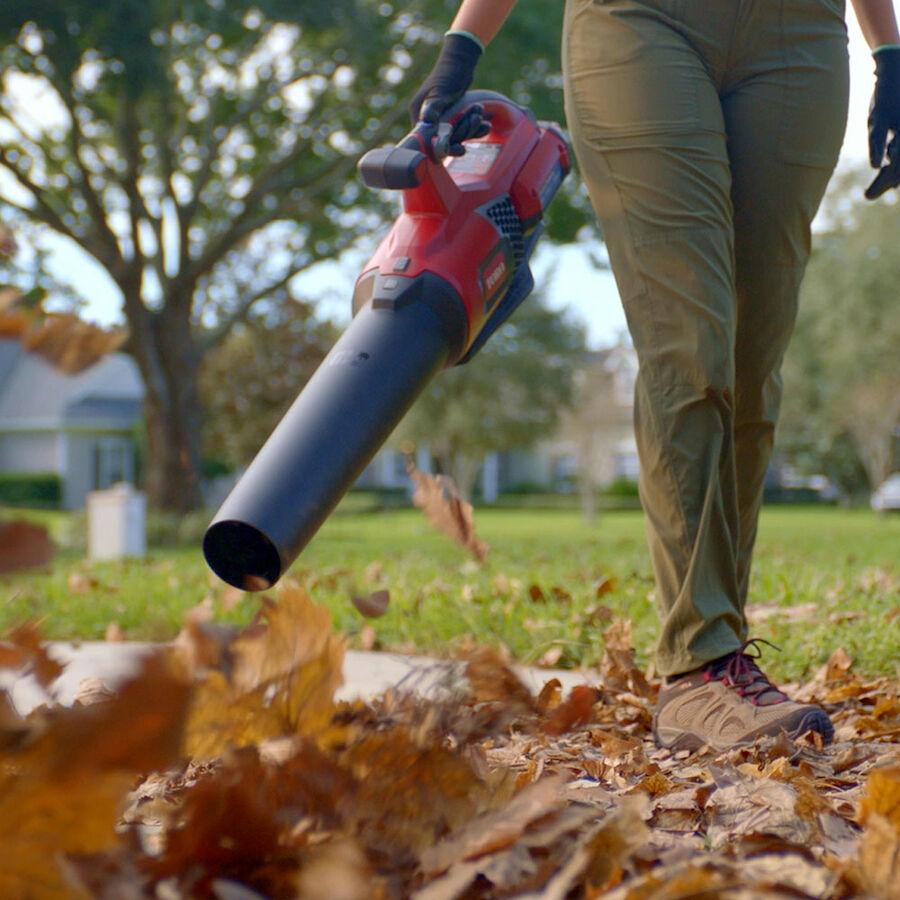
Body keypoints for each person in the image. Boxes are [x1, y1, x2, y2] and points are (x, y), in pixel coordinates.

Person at [409, 0, 900, 751]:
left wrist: (889, 52)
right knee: (690, 343)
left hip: (800, 35)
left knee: (752, 359)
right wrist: (462, 46)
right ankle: (699, 664)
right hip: (643, 22)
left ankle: (727, 658)